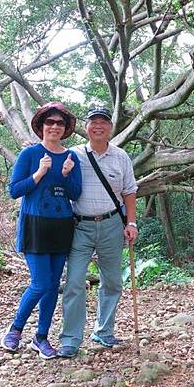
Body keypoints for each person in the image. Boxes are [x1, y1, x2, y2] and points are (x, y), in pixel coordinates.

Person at [1, 102, 82, 359]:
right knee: (40, 283)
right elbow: (14, 190)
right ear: (41, 126)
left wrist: (68, 175)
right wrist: (39, 173)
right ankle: (15, 330)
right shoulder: (30, 154)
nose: (55, 127)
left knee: (52, 284)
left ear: (65, 128)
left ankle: (41, 337)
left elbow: (76, 194)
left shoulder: (71, 157)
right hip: (34, 225)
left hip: (61, 227)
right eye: (50, 122)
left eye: (60, 123)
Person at [57, 106, 138, 358]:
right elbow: (60, 182)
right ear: (86, 127)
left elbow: (129, 191)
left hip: (113, 224)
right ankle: (70, 339)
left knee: (112, 280)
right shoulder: (74, 154)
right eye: (93, 122)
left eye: (103, 122)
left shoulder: (121, 156)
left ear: (110, 128)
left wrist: (131, 223)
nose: (98, 126)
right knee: (74, 282)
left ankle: (103, 331)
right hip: (80, 225)